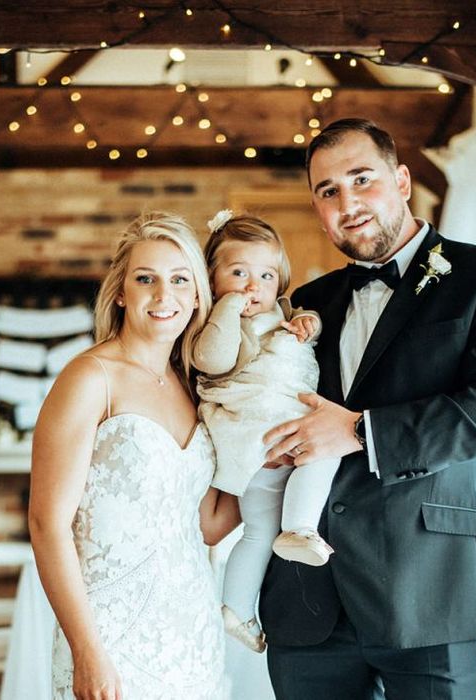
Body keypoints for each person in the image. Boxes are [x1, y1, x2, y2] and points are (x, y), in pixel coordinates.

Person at [260, 118, 476, 699]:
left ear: (403, 179)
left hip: (431, 592)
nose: (348, 203)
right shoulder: (309, 303)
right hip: (311, 602)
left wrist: (361, 431)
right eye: (328, 191)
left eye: (362, 180)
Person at [28, 211, 240, 700]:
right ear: (121, 291)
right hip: (111, 641)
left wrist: (273, 465)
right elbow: (46, 525)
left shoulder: (192, 386)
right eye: (147, 279)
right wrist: (87, 652)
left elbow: (206, 524)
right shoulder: (89, 379)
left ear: (196, 296)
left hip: (191, 632)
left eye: (180, 280)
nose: (165, 296)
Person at [192, 212, 341, 654]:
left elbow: (304, 319)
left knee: (259, 531)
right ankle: (298, 527)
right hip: (257, 436)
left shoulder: (283, 312)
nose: (251, 285)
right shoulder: (216, 325)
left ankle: (236, 609)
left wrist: (306, 324)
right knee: (323, 451)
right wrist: (228, 308)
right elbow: (213, 361)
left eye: (265, 275)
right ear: (211, 279)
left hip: (283, 436)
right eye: (237, 273)